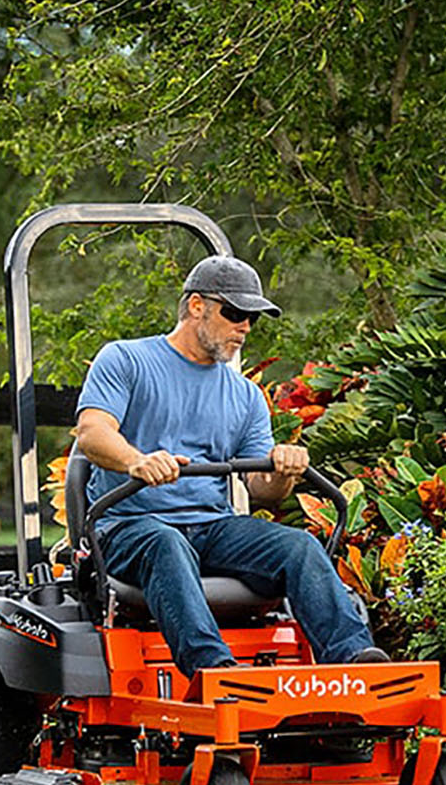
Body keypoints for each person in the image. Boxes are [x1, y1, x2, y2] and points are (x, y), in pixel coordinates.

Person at [72, 255, 386, 675]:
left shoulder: (246, 396)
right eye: (235, 313)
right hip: (131, 526)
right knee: (167, 543)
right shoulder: (127, 361)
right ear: (197, 305)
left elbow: (263, 490)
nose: (245, 327)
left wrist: (283, 470)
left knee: (299, 546)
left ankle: (352, 661)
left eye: (252, 317)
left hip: (212, 528)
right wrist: (137, 461)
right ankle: (215, 672)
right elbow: (92, 433)